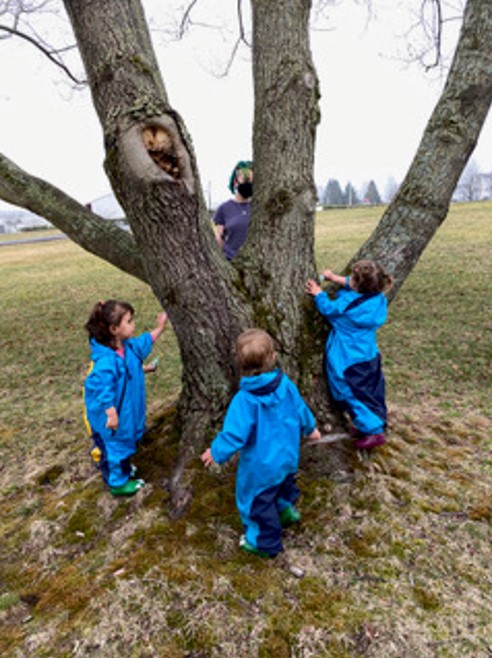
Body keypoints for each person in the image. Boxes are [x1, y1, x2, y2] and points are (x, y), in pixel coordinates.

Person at [200, 328, 321, 558]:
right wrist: (310, 429)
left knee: (256, 503)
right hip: (288, 457)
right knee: (284, 485)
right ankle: (285, 510)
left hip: (261, 468)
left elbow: (234, 435)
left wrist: (215, 451)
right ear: (273, 358)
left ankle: (263, 542)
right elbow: (301, 410)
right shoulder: (286, 385)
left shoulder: (244, 400)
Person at [305, 260, 393, 451]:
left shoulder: (347, 306)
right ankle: (370, 423)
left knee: (351, 394)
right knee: (369, 391)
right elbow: (353, 285)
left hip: (349, 358)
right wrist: (334, 278)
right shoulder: (377, 299)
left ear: (357, 285)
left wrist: (318, 294)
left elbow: (329, 309)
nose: (348, 280)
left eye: (351, 279)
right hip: (368, 355)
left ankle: (373, 431)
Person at [84, 300, 168, 496]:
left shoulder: (127, 347)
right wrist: (111, 413)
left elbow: (145, 342)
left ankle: (122, 470)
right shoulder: (106, 361)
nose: (133, 325)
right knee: (115, 448)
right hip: (112, 418)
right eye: (129, 321)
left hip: (126, 412)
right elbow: (102, 388)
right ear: (114, 329)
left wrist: (160, 327)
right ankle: (117, 483)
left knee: (124, 444)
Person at [213, 160, 253, 260]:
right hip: (231, 262)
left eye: (251, 181)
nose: (249, 184)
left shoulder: (258, 207)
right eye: (245, 180)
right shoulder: (223, 209)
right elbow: (219, 239)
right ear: (235, 182)